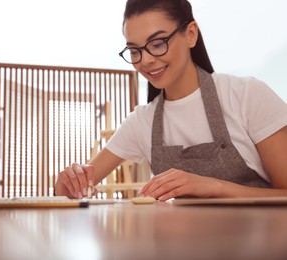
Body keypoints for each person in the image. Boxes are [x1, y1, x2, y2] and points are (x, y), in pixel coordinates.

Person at [55, 0, 287, 201]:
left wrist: (213, 187)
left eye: (157, 44)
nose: (145, 60)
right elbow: (74, 189)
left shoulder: (246, 95)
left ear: (191, 34)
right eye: (135, 51)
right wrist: (69, 183)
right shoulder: (141, 122)